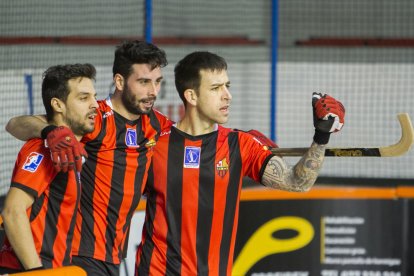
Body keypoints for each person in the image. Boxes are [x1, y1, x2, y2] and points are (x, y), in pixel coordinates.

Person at [134, 51, 345, 275]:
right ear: (191, 96)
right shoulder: (154, 142)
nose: (227, 96)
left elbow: (297, 183)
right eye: (216, 88)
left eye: (228, 86)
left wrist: (321, 137)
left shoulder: (240, 144)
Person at [5, 40, 171, 275]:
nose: (153, 91)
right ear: (120, 81)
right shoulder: (93, 118)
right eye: (144, 82)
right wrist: (49, 131)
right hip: (79, 255)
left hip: (114, 255)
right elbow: (15, 124)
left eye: (157, 82)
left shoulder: (156, 124)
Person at [0, 63, 98, 273]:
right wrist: (37, 272)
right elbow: (12, 210)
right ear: (58, 105)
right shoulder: (47, 149)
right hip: (33, 268)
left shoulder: (70, 145)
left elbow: (15, 123)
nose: (95, 104)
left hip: (55, 267)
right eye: (84, 98)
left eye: (94, 96)